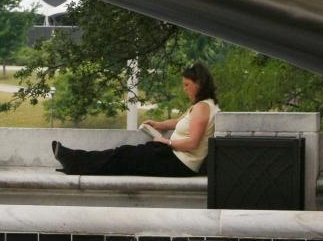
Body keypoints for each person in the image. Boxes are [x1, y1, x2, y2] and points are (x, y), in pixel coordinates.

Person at [51, 62, 219, 177]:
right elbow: (178, 122)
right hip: (175, 158)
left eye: (187, 85)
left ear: (199, 84)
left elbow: (192, 143)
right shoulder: (203, 105)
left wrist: (165, 142)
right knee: (124, 155)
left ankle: (74, 161)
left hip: (179, 163)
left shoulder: (202, 108)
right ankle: (75, 161)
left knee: (123, 155)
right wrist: (158, 124)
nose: (184, 89)